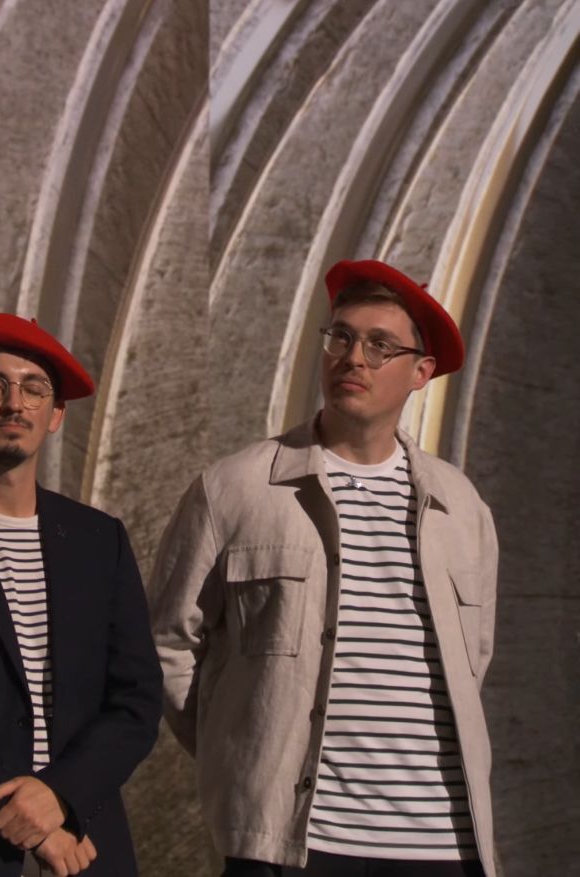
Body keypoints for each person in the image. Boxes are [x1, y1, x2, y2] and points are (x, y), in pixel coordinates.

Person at [150, 260, 499, 876]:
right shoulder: (234, 488)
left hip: (442, 844)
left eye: (380, 345)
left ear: (421, 372)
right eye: (341, 337)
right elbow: (168, 644)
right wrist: (244, 754)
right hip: (290, 845)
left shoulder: (461, 506)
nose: (353, 358)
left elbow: (475, 656)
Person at [0, 313, 161, 876]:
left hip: (86, 842)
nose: (13, 404)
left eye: (34, 389)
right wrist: (20, 811)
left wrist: (60, 794)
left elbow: (138, 699)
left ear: (56, 414)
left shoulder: (99, 539)